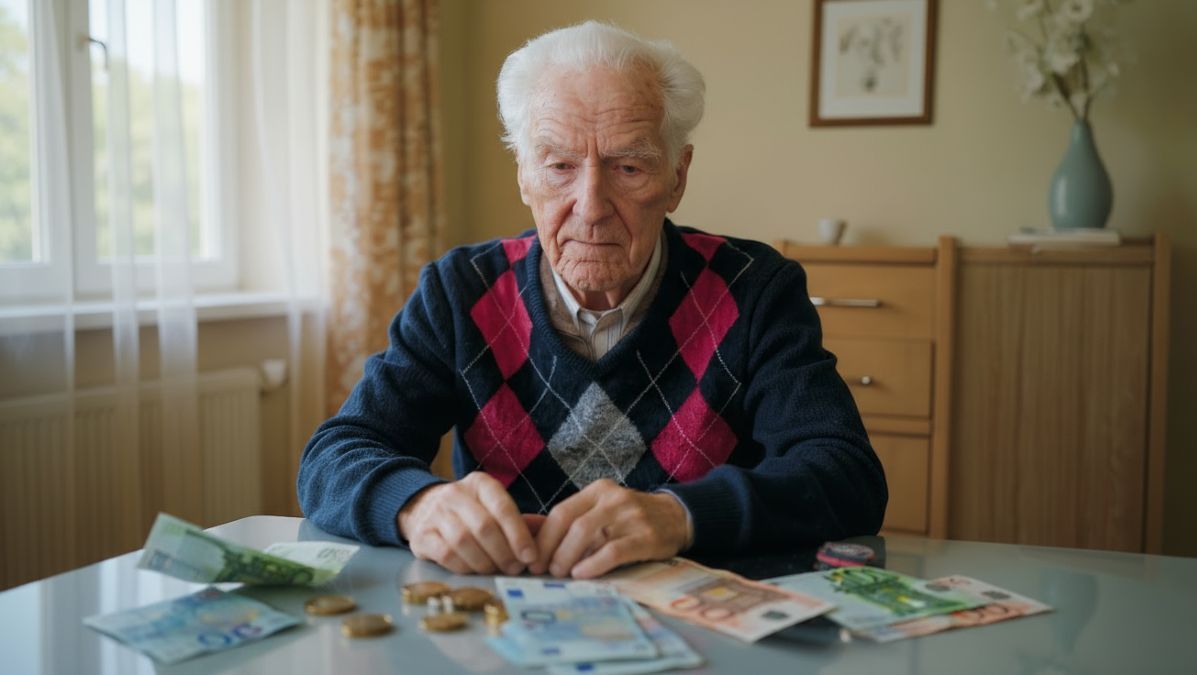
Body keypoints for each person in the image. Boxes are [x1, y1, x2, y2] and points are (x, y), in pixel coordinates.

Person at [298, 21, 886, 580]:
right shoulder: (460, 292)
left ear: (677, 176)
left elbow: (845, 476)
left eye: (628, 167)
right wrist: (417, 505)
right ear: (524, 174)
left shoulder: (755, 290)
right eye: (558, 166)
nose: (591, 204)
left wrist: (681, 516)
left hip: (699, 627)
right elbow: (335, 455)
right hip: (502, 622)